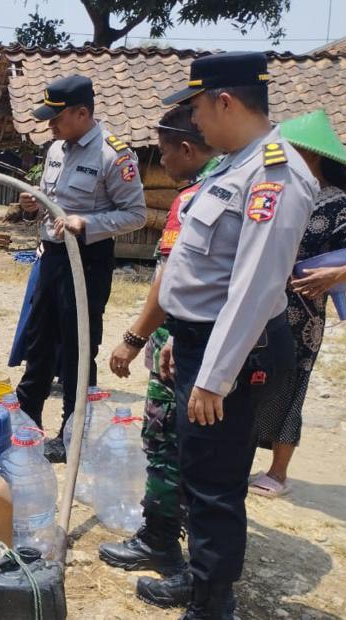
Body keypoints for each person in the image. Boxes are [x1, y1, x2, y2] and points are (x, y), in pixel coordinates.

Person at [136, 52, 318, 618]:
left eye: (195, 109)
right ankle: (199, 580)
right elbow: (200, 271)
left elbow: (257, 289)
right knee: (196, 470)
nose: (194, 124)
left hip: (235, 356)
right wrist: (174, 338)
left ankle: (213, 604)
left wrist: (215, 376)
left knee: (215, 488)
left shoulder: (275, 174)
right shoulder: (233, 166)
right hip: (201, 343)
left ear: (224, 101)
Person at [99, 106, 221, 578]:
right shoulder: (236, 180)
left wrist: (133, 338)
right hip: (222, 341)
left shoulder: (194, 197)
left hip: (184, 341)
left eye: (165, 151)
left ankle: (160, 541)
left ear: (187, 149)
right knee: (207, 448)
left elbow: (171, 280)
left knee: (166, 438)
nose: (162, 162)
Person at [15, 74, 148, 462]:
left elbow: (136, 214)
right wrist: (32, 208)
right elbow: (49, 202)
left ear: (82, 113)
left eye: (56, 118)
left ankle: (72, 432)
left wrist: (87, 223)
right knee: (38, 341)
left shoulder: (113, 155)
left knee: (77, 347)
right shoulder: (56, 148)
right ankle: (26, 420)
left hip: (87, 262)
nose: (50, 126)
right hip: (52, 258)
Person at [249, 110, 346, 498]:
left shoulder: (339, 204)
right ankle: (242, 456)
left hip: (301, 310)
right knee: (251, 377)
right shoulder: (276, 191)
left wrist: (334, 277)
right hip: (261, 300)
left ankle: (278, 471)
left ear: (309, 156)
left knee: (290, 382)